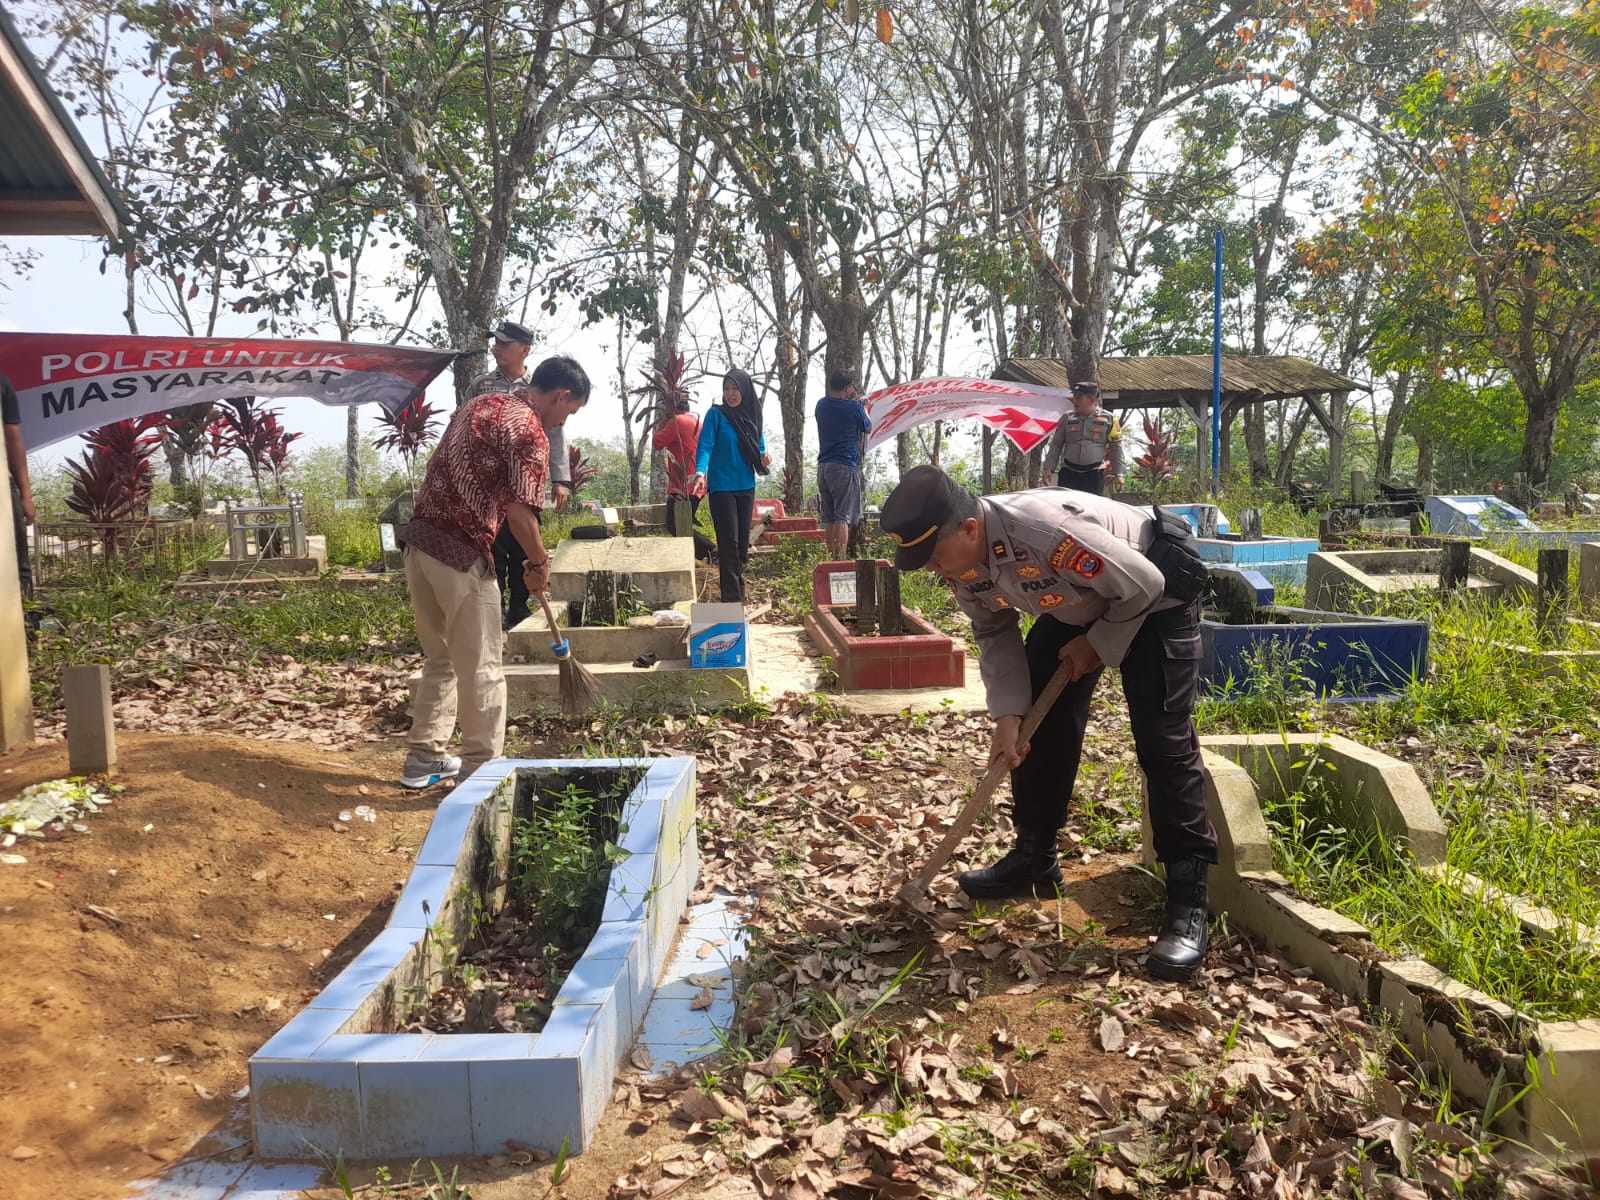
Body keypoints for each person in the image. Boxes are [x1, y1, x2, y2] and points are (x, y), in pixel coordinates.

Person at [879, 465, 1216, 981]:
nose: (935, 571)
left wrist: (1098, 646)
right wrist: (1008, 715)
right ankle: (1035, 856)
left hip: (1155, 598)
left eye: (936, 556)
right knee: (1038, 720)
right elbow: (993, 629)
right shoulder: (964, 563)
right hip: (1079, 603)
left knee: (1162, 744)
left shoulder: (1043, 532)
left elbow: (1145, 584)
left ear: (970, 528)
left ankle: (1188, 902)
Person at [398, 355, 590, 789]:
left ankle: (423, 759)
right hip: (462, 556)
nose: (562, 422)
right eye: (569, 411)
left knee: (441, 660)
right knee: (483, 666)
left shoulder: (477, 404)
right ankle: (479, 774)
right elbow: (523, 517)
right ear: (560, 396)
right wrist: (539, 564)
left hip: (420, 543)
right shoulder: (529, 432)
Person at [473, 321, 572, 629]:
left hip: (524, 483)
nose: (496, 349)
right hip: (489, 486)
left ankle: (519, 606)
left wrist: (560, 479)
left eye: (504, 344)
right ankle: (495, 607)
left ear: (524, 350)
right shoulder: (481, 385)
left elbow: (556, 435)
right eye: (496, 343)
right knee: (494, 547)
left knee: (522, 545)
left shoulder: (539, 387)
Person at [692, 369, 770, 604]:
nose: (730, 394)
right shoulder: (716, 414)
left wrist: (765, 457)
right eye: (726, 389)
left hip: (745, 486)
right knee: (728, 546)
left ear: (745, 390)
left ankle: (739, 599)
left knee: (741, 550)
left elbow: (760, 446)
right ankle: (732, 604)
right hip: (721, 488)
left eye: (735, 388)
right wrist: (700, 471)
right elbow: (705, 444)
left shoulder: (752, 416)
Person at [814, 368, 872, 560]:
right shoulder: (854, 408)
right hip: (844, 466)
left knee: (829, 517)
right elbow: (867, 426)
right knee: (843, 518)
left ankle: (831, 559)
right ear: (848, 388)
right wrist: (865, 408)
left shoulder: (821, 405)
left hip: (824, 467)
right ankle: (840, 559)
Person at [652, 392, 715, 561]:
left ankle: (712, 551)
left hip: (683, 485)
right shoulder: (698, 422)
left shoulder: (676, 422)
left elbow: (657, 443)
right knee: (681, 525)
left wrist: (664, 421)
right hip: (699, 482)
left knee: (676, 526)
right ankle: (703, 555)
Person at [1043, 380, 1124, 495]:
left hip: (1093, 474)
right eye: (1074, 396)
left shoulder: (1109, 419)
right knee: (1066, 508)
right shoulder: (1066, 418)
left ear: (1091, 399)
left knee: (1091, 509)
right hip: (1069, 473)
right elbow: (1056, 444)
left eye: (1079, 397)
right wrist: (1049, 468)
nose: (1074, 401)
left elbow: (1116, 447)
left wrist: (1119, 474)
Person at [2, 373, 33, 609]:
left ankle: (27, 633)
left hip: (3, 485)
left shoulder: (2, 383)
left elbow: (13, 439)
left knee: (16, 560)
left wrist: (26, 494)